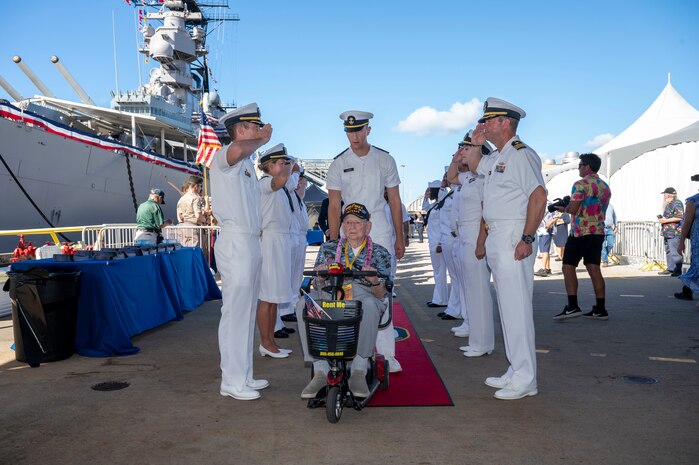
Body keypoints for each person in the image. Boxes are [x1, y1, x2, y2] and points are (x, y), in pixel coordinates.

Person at [474, 97, 546, 400]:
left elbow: (539, 196)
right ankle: (516, 369)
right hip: (497, 235)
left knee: (517, 309)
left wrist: (527, 238)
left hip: (513, 235)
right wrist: (478, 144)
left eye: (489, 120)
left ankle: (526, 378)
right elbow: (475, 167)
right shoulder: (498, 156)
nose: (484, 124)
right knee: (508, 309)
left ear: (505, 123)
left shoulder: (520, 154)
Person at [325, 110, 404, 373]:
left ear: (368, 130)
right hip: (350, 232)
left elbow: (394, 200)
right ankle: (353, 351)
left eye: (358, 130)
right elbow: (334, 205)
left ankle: (387, 355)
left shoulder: (385, 159)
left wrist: (399, 237)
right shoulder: (338, 163)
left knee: (382, 292)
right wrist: (335, 240)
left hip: (379, 229)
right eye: (349, 131)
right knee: (347, 290)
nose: (354, 135)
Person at [210, 102, 272, 401]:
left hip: (251, 240)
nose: (259, 130)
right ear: (239, 129)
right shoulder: (226, 156)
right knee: (235, 313)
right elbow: (235, 151)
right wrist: (261, 140)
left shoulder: (247, 164)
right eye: (254, 126)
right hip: (235, 241)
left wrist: (257, 143)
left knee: (246, 314)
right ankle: (231, 380)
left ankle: (244, 374)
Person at [301, 203, 392, 399]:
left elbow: (381, 294)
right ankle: (320, 371)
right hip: (330, 292)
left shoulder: (380, 253)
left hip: (364, 295)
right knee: (303, 304)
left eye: (357, 223)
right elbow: (316, 286)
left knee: (368, 305)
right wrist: (320, 276)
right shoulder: (328, 248)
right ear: (342, 226)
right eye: (347, 222)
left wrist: (375, 280)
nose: (351, 227)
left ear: (368, 226)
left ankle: (359, 369)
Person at [448, 130, 495, 352]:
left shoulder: (485, 178)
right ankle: (477, 339)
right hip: (465, 236)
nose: (463, 152)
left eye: (467, 148)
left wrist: (480, 243)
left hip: (476, 236)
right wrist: (455, 159)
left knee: (479, 292)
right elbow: (450, 178)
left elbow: (486, 211)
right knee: (470, 289)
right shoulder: (468, 177)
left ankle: (482, 343)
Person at [553, 153, 611, 321]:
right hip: (598, 231)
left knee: (568, 266)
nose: (578, 168)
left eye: (580, 165)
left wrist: (563, 208)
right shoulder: (604, 186)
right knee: (594, 268)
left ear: (587, 167)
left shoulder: (580, 184)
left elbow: (573, 209)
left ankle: (572, 306)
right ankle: (600, 308)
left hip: (580, 232)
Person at [256, 143, 296, 359]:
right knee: (267, 297)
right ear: (268, 166)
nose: (284, 166)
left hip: (280, 241)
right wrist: (289, 168)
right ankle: (265, 343)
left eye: (284, 162)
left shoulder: (279, 187)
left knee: (274, 297)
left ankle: (271, 342)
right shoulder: (265, 183)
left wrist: (287, 167)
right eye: (280, 162)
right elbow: (281, 180)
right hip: (270, 241)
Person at [423, 181, 449, 308]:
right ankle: (438, 298)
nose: (429, 193)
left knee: (440, 271)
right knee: (437, 271)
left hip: (438, 244)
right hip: (433, 242)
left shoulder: (443, 206)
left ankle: (441, 300)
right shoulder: (436, 205)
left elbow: (445, 225)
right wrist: (425, 196)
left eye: (430, 190)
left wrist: (440, 243)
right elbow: (424, 207)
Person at [677, 182, 699, 301]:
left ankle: (687, 291)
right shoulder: (694, 201)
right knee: (697, 266)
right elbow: (686, 223)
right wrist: (681, 243)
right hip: (697, 240)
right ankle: (687, 290)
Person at [176, 175, 210, 247]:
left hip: (183, 227)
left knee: (185, 252)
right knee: (195, 252)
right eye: (200, 186)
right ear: (196, 186)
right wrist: (205, 219)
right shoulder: (195, 198)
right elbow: (198, 216)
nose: (200, 189)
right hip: (193, 228)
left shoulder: (181, 199)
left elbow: (180, 216)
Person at [658, 187, 684, 277]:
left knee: (675, 252)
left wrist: (665, 221)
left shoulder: (677, 203)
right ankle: (670, 268)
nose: (664, 196)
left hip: (674, 232)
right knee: (668, 251)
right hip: (667, 232)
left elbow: (680, 217)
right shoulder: (669, 204)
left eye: (664, 194)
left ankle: (677, 270)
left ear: (669, 195)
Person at [534, 208, 555, 277]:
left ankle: (543, 269)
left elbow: (557, 215)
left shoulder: (548, 204)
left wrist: (550, 223)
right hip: (541, 231)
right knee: (545, 250)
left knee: (545, 251)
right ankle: (547, 268)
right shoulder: (546, 204)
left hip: (545, 230)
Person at [601, 203, 618, 267]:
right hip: (601, 229)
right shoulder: (598, 205)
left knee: (611, 244)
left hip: (610, 229)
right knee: (602, 246)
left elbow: (614, 216)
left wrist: (616, 226)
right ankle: (605, 261)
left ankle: (603, 255)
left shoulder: (611, 206)